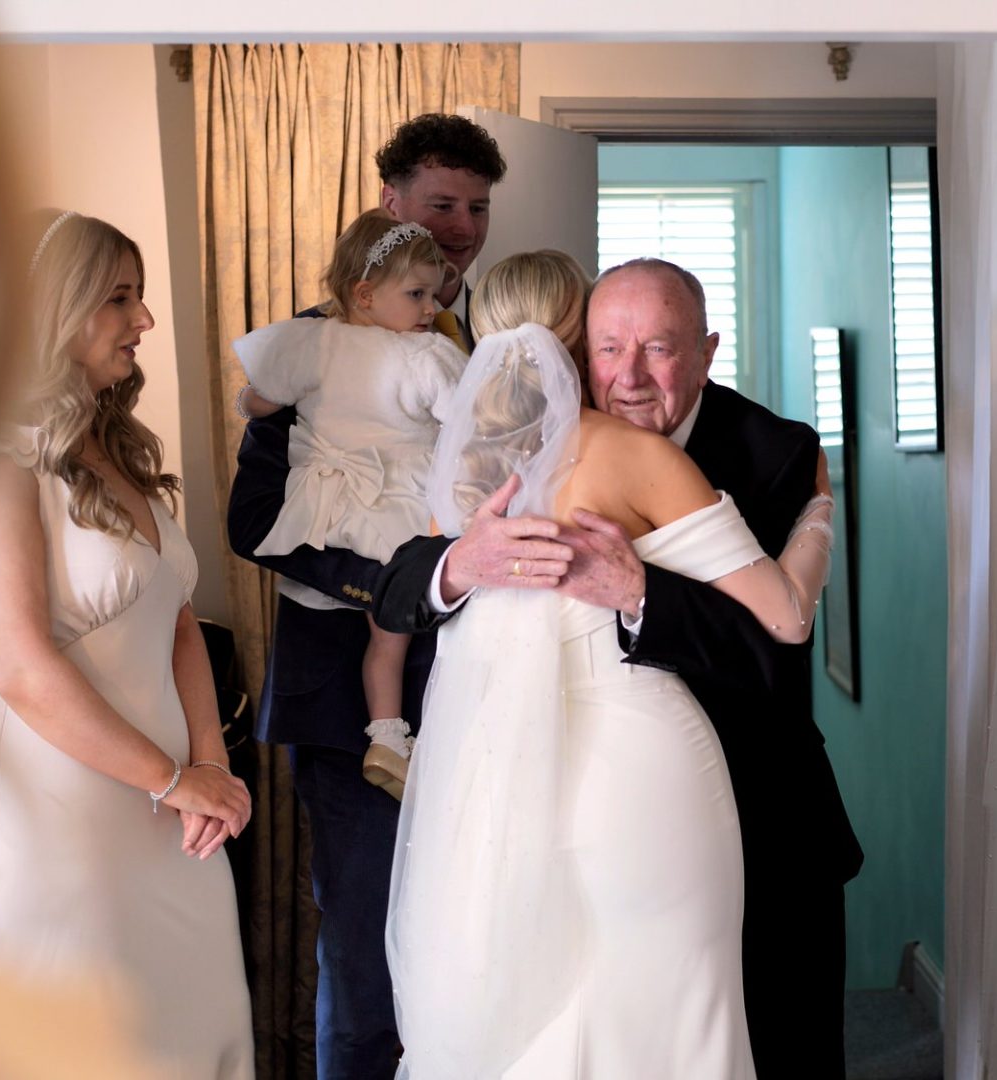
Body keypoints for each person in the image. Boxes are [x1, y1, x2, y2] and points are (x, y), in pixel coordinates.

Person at [374, 259, 864, 1075]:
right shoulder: (503, 446)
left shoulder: (774, 450)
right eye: (609, 349)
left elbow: (773, 657)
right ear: (576, 350)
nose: (629, 376)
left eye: (660, 350)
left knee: (772, 1043)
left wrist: (644, 598)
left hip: (756, 804)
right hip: (551, 807)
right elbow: (398, 591)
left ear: (707, 351)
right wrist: (462, 562)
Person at [0, 211, 255, 1077]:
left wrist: (210, 764)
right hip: (50, 832)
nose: (145, 322)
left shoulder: (115, 450)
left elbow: (179, 621)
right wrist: (172, 777)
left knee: (193, 1038)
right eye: (121, 298)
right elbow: (16, 665)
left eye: (142, 298)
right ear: (56, 306)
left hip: (171, 826)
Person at [223, 112, 505, 1077]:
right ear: (391, 205)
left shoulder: (484, 333)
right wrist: (391, 590)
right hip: (347, 696)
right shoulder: (318, 346)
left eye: (475, 206)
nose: (463, 225)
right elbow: (256, 518)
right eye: (441, 204)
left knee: (476, 935)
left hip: (482, 687)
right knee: (368, 942)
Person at [232, 211, 465, 799]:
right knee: (388, 634)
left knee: (386, 636)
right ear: (365, 293)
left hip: (329, 510)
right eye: (415, 295)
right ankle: (386, 737)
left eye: (431, 297)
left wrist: (247, 398)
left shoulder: (311, 343)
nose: (426, 310)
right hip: (396, 511)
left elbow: (260, 399)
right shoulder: (424, 356)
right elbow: (471, 422)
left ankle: (389, 736)